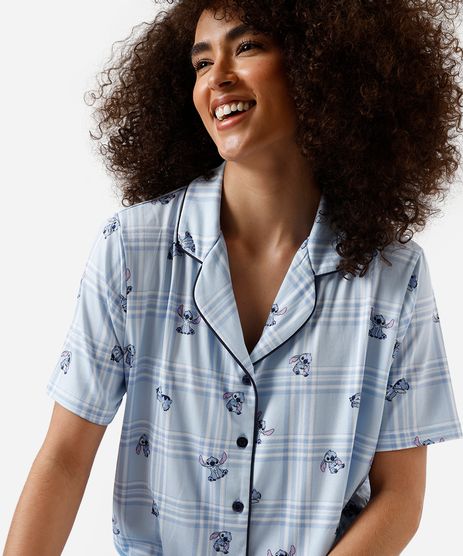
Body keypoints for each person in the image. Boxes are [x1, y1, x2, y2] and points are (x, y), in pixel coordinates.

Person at [4, 1, 463, 555]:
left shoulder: (392, 275)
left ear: (318, 65)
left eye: (246, 47)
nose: (216, 78)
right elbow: (64, 457)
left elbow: (401, 498)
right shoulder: (133, 249)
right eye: (202, 63)